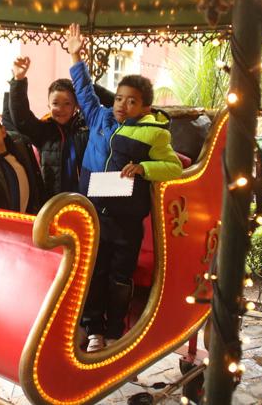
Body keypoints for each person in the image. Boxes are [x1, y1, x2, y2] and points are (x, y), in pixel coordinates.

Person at [65, 23, 183, 351]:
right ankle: (93, 330)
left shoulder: (155, 133)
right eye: (119, 98)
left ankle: (116, 330)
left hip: (126, 221)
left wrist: (144, 168)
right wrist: (75, 54)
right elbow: (85, 89)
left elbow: (173, 167)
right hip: (92, 213)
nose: (121, 105)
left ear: (145, 107)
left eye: (131, 102)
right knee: (93, 272)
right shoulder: (100, 119)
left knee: (119, 277)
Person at [8, 56, 89, 198]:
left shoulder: (86, 129)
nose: (61, 109)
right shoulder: (44, 131)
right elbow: (21, 118)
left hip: (84, 198)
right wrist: (18, 80)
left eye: (67, 103)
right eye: (55, 103)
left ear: (76, 106)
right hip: (53, 198)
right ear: (48, 105)